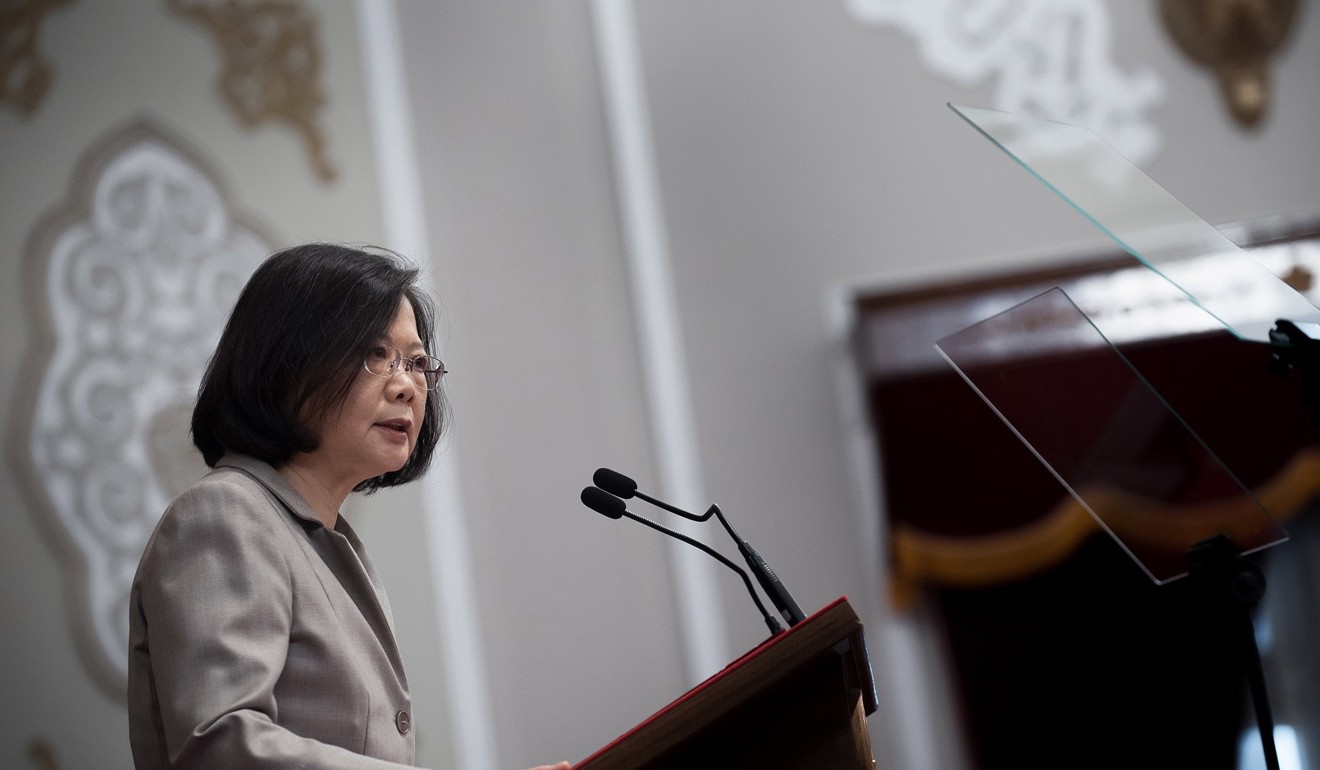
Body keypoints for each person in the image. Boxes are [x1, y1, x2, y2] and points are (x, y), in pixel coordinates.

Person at [127, 243, 568, 770]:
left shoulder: (324, 543)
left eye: (418, 362)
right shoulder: (224, 515)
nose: (407, 385)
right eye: (376, 355)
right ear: (286, 364)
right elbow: (220, 745)